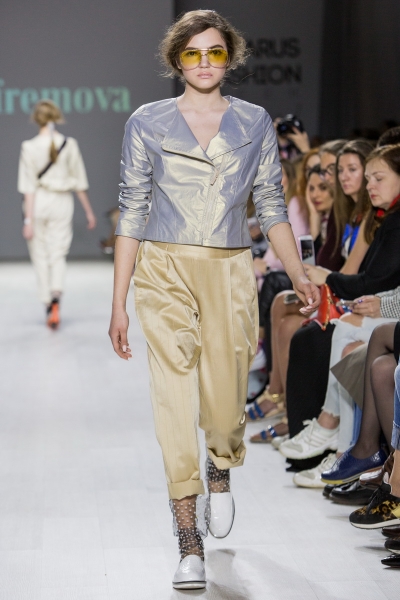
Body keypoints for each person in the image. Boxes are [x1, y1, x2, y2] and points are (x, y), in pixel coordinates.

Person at [108, 9, 320, 590]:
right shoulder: (147, 121)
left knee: (225, 407)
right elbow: (132, 209)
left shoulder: (253, 121)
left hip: (229, 270)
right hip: (163, 269)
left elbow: (271, 206)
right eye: (193, 52)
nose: (204, 63)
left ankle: (220, 468)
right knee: (173, 399)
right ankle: (188, 540)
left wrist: (299, 273)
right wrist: (119, 301)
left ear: (230, 58)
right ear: (176, 59)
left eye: (215, 52)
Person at [18, 100, 96, 328]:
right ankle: (56, 296)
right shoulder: (69, 144)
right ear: (57, 116)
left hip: (38, 202)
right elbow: (79, 181)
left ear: (36, 119)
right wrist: (89, 212)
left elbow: (28, 187)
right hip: (62, 202)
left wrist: (28, 220)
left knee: (39, 254)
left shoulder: (29, 146)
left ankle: (47, 304)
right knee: (58, 252)